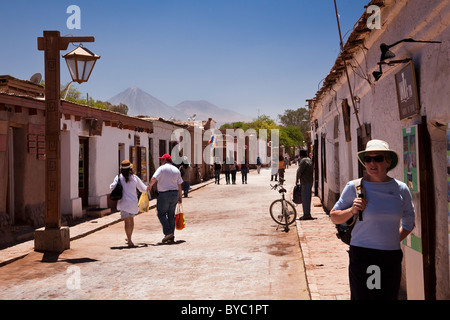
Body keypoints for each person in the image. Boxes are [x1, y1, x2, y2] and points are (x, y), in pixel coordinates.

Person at [330, 139, 415, 300]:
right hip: (364, 256)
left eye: (378, 158)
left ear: (388, 162)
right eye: (368, 159)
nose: (372, 163)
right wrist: (352, 210)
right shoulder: (354, 187)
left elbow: (409, 221)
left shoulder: (400, 189)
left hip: (391, 256)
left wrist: (391, 240)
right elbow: (334, 216)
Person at [110, 160, 148, 247]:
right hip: (133, 203)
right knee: (131, 220)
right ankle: (130, 238)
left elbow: (112, 187)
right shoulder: (134, 178)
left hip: (123, 203)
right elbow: (143, 188)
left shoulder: (119, 177)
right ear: (130, 168)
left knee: (126, 222)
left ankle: (129, 240)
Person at [148, 154, 183, 244]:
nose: (161, 161)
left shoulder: (161, 168)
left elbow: (153, 178)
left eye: (161, 159)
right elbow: (179, 184)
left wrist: (150, 186)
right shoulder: (176, 170)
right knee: (171, 215)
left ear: (165, 160)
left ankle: (168, 233)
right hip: (174, 194)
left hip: (164, 195)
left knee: (161, 214)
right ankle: (171, 237)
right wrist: (180, 196)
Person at [296, 150, 314, 220]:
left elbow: (299, 171)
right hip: (309, 181)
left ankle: (306, 214)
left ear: (300, 155)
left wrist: (297, 179)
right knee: (308, 198)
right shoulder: (309, 160)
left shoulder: (303, 161)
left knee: (305, 198)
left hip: (305, 182)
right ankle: (307, 213)